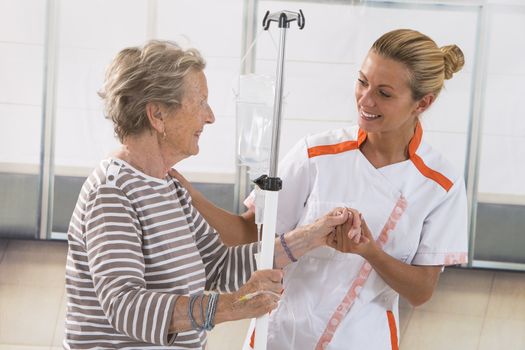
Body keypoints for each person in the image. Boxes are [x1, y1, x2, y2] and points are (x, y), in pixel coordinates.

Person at [176, 29, 469, 349]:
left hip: (362, 339)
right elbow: (248, 232)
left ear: (422, 103)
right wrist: (187, 192)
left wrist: (369, 251)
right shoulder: (315, 153)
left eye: (384, 93)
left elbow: (421, 292)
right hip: (281, 335)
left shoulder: (440, 184)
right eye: (362, 82)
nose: (365, 100)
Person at [63, 40, 355, 349]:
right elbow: (126, 306)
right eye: (201, 102)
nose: (210, 116)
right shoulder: (113, 192)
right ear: (158, 114)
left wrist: (312, 236)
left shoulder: (168, 187)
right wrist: (234, 306)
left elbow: (219, 265)